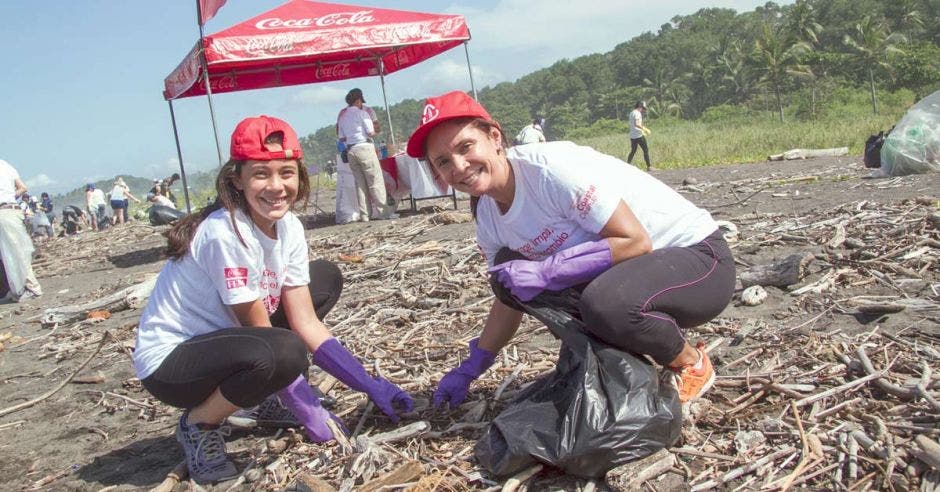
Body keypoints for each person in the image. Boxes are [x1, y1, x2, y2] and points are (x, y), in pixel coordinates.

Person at [405, 91, 735, 409]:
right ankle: (618, 358)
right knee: (506, 273)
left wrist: (548, 271)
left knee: (605, 304)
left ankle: (690, 362)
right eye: (444, 161)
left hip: (698, 261)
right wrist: (473, 366)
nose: (460, 166)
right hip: (637, 276)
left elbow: (636, 241)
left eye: (466, 147)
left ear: (494, 137)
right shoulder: (488, 217)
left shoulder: (548, 172)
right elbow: (509, 298)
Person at [133, 116, 413, 484]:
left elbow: (305, 320)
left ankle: (261, 396)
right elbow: (265, 335)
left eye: (286, 172)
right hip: (173, 363)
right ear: (237, 179)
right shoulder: (225, 233)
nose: (277, 186)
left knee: (323, 278)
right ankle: (200, 424)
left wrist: (368, 383)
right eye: (261, 174)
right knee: (282, 353)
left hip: (232, 343)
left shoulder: (290, 227)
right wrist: (305, 405)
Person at [335, 88, 397, 221]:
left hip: (351, 150)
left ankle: (365, 215)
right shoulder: (363, 113)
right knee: (375, 181)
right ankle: (384, 212)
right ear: (358, 100)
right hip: (364, 147)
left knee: (360, 184)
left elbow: (341, 137)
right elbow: (371, 132)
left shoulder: (343, 116)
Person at [0, 159, 42, 301]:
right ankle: (15, 289)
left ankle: (33, 289)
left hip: (3, 212)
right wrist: (10, 197)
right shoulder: (6, 165)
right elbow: (23, 187)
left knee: (15, 252)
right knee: (11, 253)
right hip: (12, 210)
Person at [628, 100, 652, 171]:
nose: (643, 110)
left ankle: (627, 164)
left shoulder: (632, 113)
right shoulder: (637, 113)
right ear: (640, 106)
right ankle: (649, 167)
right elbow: (637, 124)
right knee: (646, 150)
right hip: (639, 135)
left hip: (632, 136)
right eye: (643, 108)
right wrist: (644, 129)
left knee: (633, 151)